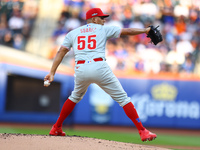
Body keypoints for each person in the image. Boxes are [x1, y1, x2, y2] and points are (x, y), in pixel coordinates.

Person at [44, 8, 157, 142]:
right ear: (94, 19)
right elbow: (129, 31)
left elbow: (61, 52)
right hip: (99, 66)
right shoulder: (102, 29)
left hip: (80, 68)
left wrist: (52, 72)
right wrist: (146, 30)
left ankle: (56, 127)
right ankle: (142, 131)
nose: (104, 20)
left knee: (74, 96)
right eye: (101, 17)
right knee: (123, 99)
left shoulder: (73, 33)